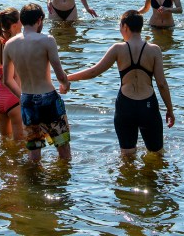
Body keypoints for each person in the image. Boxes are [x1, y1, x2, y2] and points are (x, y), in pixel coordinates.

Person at [68, 10, 174, 155]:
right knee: (157, 153)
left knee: (127, 155)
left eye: (120, 26)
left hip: (126, 105)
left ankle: (127, 177)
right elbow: (162, 83)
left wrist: (66, 78)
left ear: (125, 26)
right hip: (148, 105)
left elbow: (94, 72)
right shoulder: (154, 50)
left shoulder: (118, 49)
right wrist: (170, 110)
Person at [2, 3, 72, 162]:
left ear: (22, 20)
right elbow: (60, 75)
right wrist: (66, 85)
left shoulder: (10, 44)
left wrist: (23, 97)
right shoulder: (47, 40)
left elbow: (7, 80)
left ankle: (34, 183)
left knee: (34, 152)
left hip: (27, 99)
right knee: (63, 150)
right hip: (48, 99)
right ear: (39, 20)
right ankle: (62, 182)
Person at [0, 7, 25, 140]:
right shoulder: (19, 43)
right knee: (20, 146)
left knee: (4, 141)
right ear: (15, 25)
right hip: (15, 97)